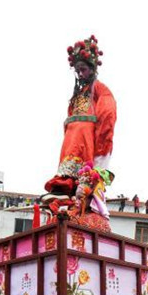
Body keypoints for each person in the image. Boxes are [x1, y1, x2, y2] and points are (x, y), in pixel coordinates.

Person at [45, 35, 116, 197]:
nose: (80, 74)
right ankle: (63, 185)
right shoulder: (77, 94)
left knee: (83, 171)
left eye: (83, 70)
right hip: (71, 137)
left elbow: (107, 115)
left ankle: (78, 185)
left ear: (92, 69)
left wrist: (101, 146)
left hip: (86, 137)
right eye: (77, 71)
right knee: (68, 163)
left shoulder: (99, 89)